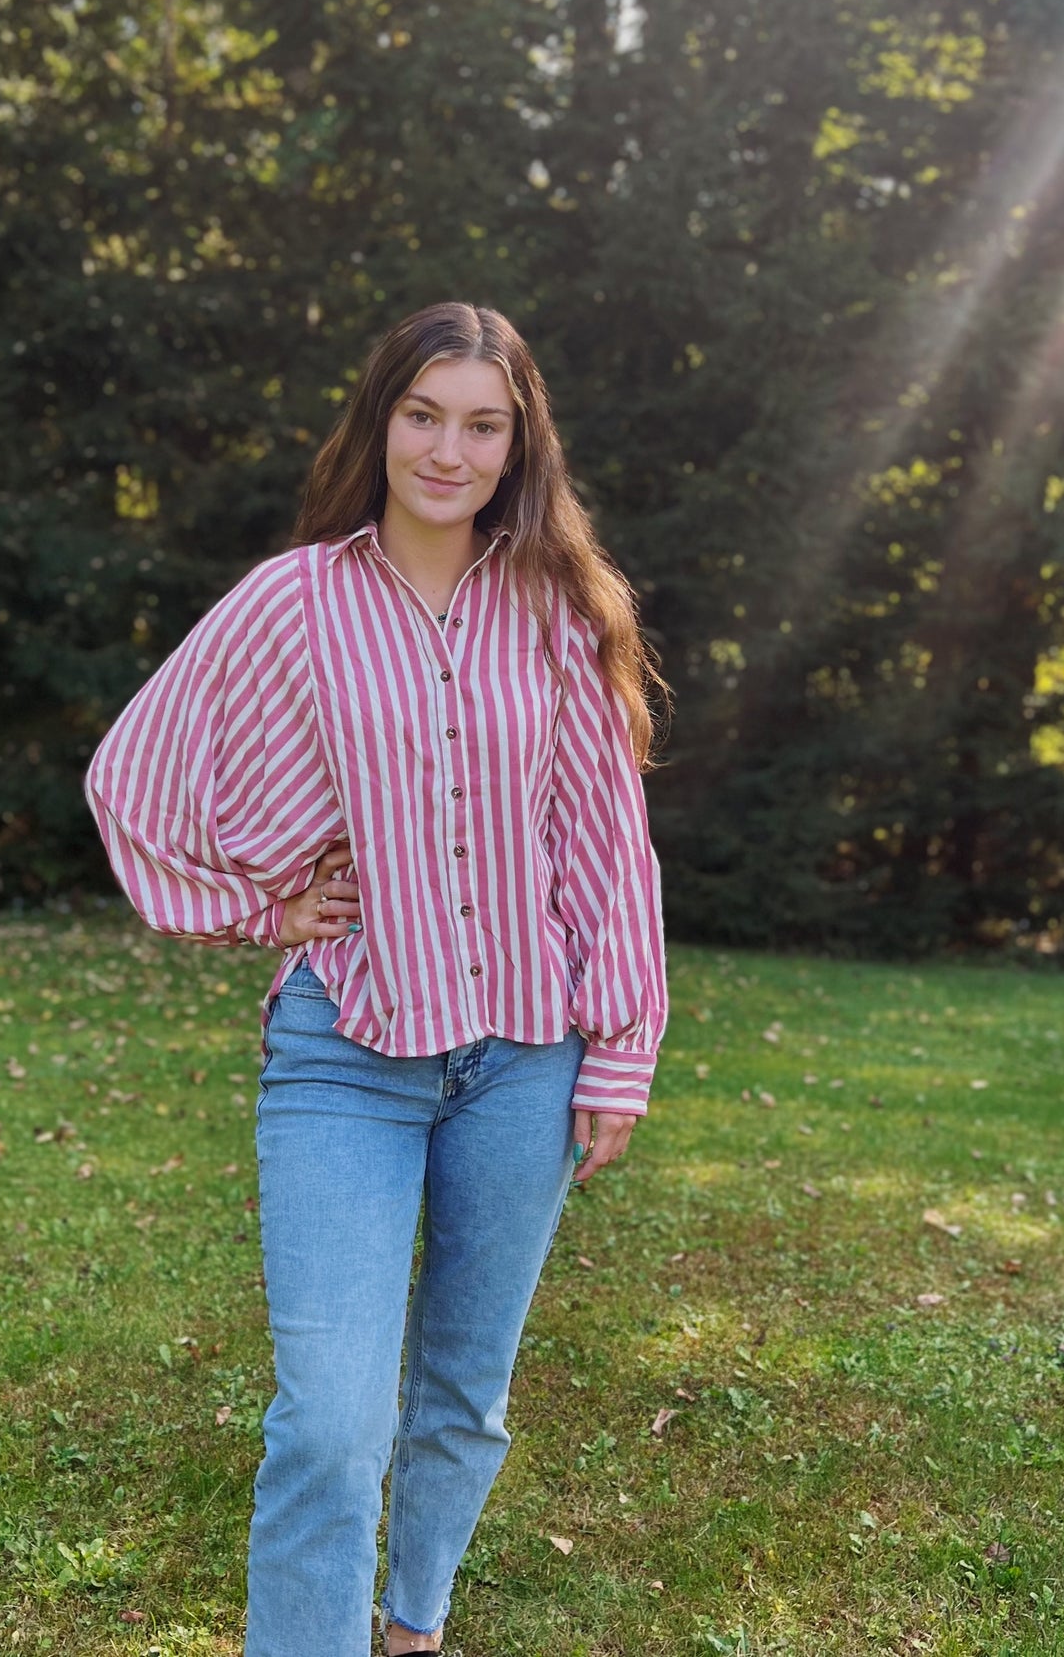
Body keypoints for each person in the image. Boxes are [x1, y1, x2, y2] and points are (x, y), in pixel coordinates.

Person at [85, 302, 669, 1656]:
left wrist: (619, 1044)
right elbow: (133, 776)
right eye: (423, 414)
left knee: (462, 1392)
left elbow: (601, 842)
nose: (447, 449)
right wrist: (257, 902)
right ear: (380, 422)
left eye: (480, 423)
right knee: (331, 1418)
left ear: (517, 441)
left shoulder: (558, 608)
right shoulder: (292, 600)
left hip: (523, 1058)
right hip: (345, 1046)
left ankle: (411, 1625)